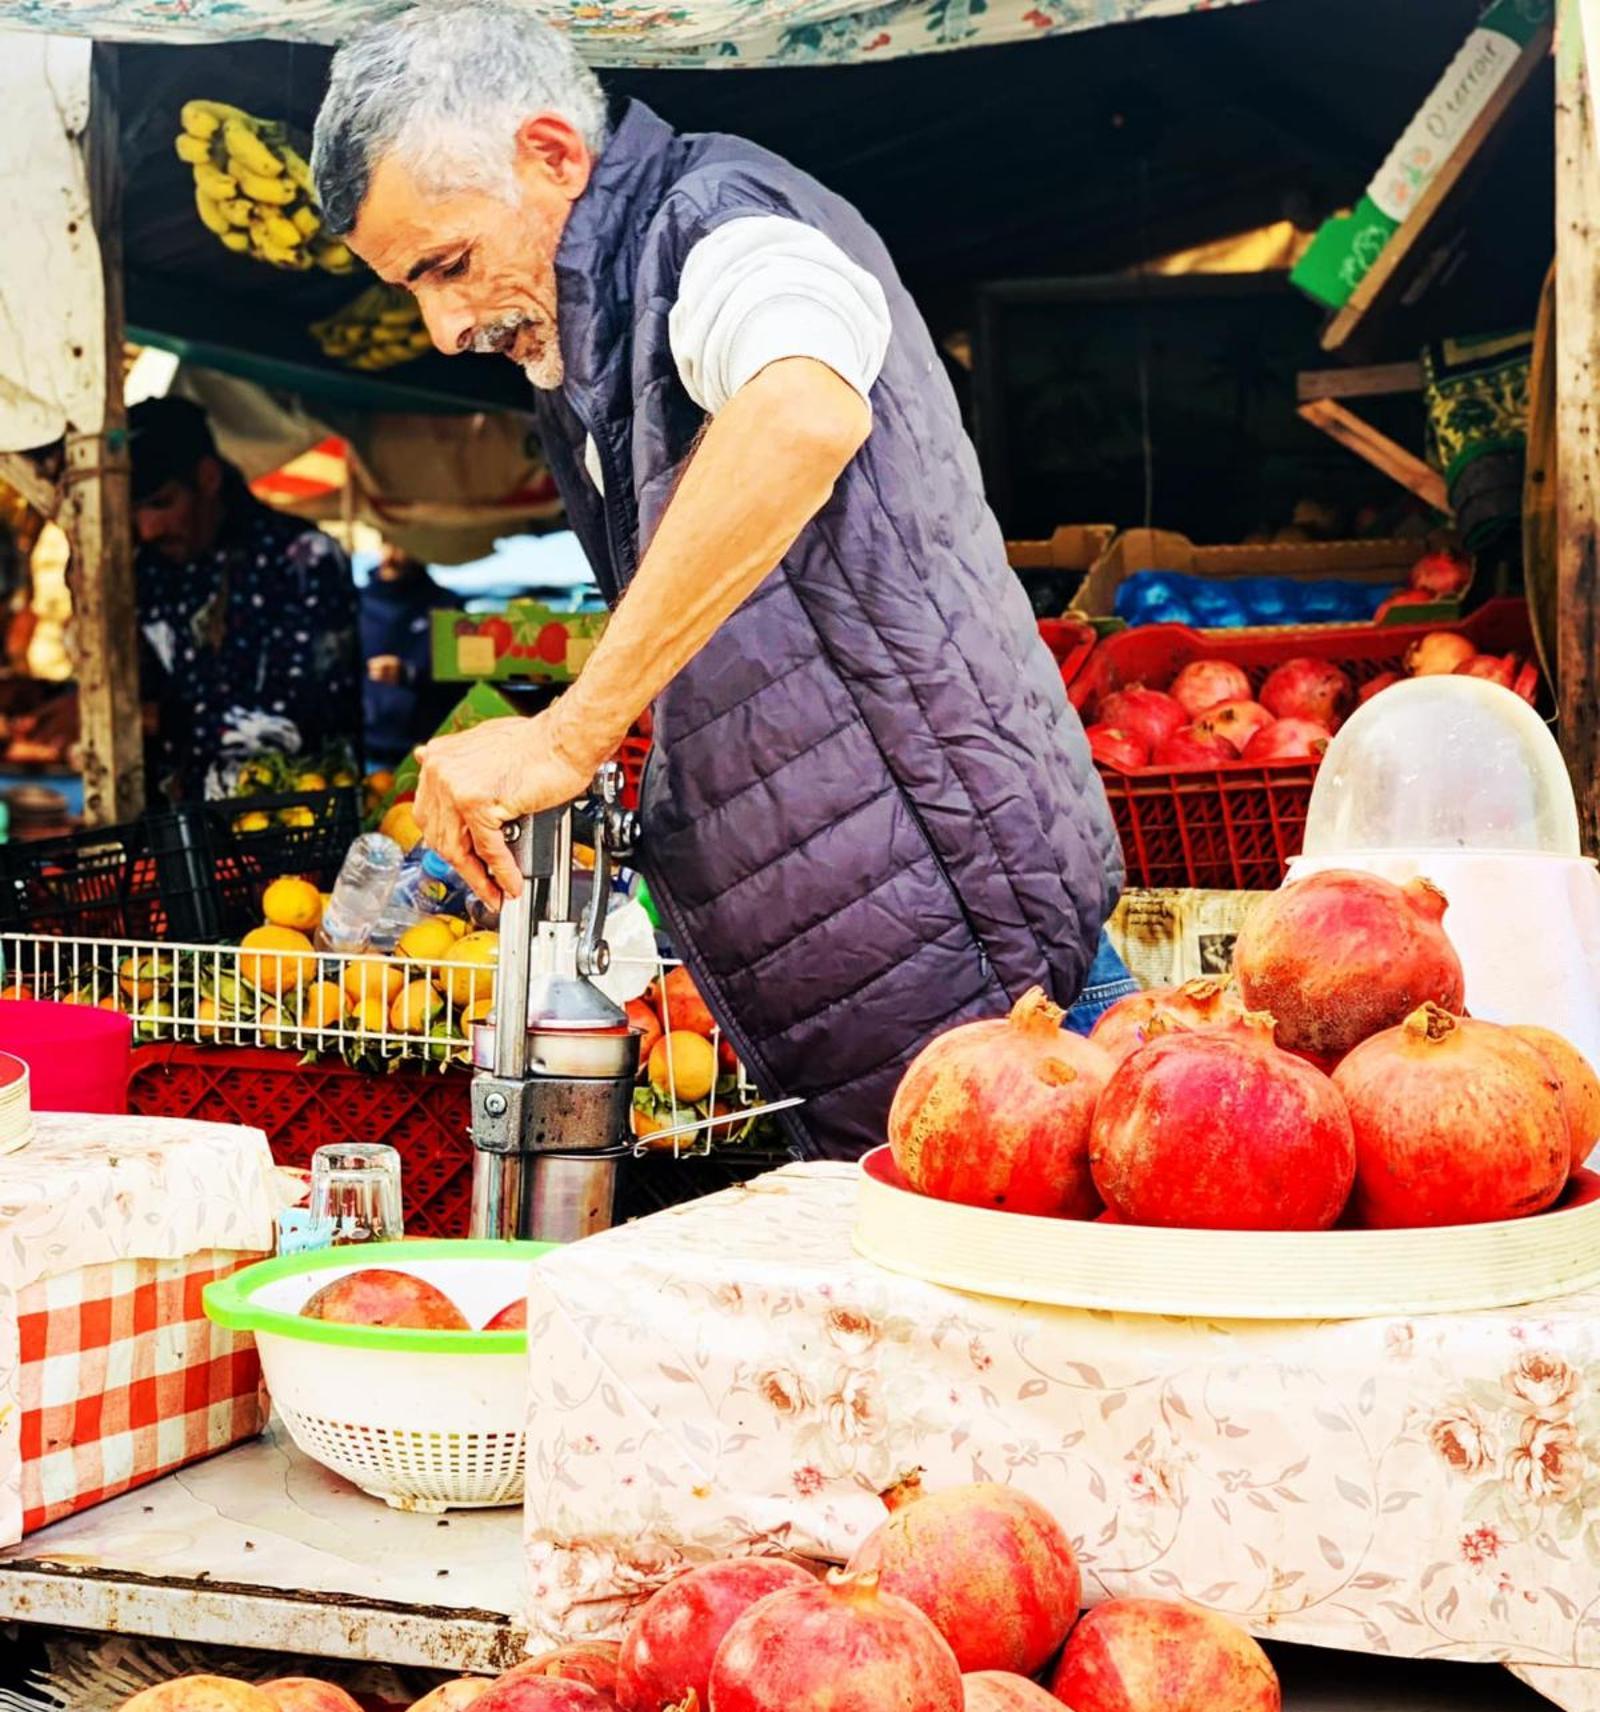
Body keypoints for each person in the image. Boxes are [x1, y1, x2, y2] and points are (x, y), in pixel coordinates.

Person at [311, 6, 1130, 1157]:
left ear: (553, 154)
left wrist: (572, 730)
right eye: (410, 287)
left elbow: (802, 409)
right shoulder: (589, 324)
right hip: (882, 972)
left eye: (446, 265)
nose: (442, 324)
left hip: (970, 955)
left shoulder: (719, 220)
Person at [132, 397, 363, 798]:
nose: (148, 529)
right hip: (171, 835)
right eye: (133, 511)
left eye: (162, 504)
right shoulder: (149, 568)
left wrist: (150, 718)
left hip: (291, 827)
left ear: (207, 478)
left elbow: (302, 721)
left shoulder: (302, 558)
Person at [359, 541, 459, 767]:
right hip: (366, 746)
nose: (392, 554)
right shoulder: (357, 602)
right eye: (386, 542)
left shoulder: (446, 606)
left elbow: (462, 678)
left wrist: (410, 673)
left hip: (427, 747)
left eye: (401, 543)